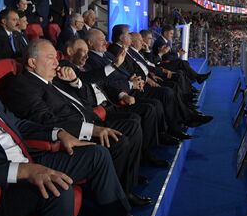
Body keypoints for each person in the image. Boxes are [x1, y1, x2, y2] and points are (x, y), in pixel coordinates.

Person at [0, 95, 165, 216]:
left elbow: (18, 124)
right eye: (53, 62)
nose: (57, 64)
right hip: (6, 183)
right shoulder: (21, 85)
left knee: (97, 155)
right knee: (59, 189)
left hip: (29, 158)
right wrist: (23, 170)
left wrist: (59, 133)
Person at [1, 39, 150, 208]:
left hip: (91, 120)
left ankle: (125, 189)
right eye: (51, 57)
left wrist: (73, 80)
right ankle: (119, 200)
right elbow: (45, 120)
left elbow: (85, 86)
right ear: (32, 62)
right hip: (72, 135)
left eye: (56, 57)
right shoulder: (23, 84)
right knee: (118, 141)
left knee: (131, 125)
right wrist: (91, 130)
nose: (57, 62)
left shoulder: (54, 77)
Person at [60, 37, 169, 167]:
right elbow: (83, 79)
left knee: (144, 111)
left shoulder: (88, 66)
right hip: (97, 114)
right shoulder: (65, 68)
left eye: (87, 51)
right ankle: (138, 161)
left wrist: (122, 94)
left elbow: (106, 84)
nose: (87, 56)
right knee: (135, 121)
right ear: (69, 51)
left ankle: (142, 157)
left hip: (111, 104)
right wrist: (114, 65)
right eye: (82, 51)